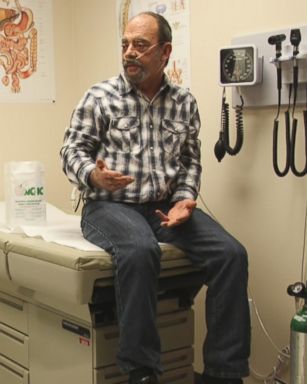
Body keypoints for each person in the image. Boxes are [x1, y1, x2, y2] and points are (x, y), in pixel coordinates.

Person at [60, 11, 250, 384]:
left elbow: (191, 160)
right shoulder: (100, 96)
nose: (129, 53)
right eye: (125, 45)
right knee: (139, 249)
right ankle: (142, 371)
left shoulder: (183, 102)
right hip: (110, 206)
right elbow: (71, 151)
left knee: (232, 255)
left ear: (165, 53)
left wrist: (184, 199)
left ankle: (223, 373)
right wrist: (93, 174)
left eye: (140, 46)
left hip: (164, 206)